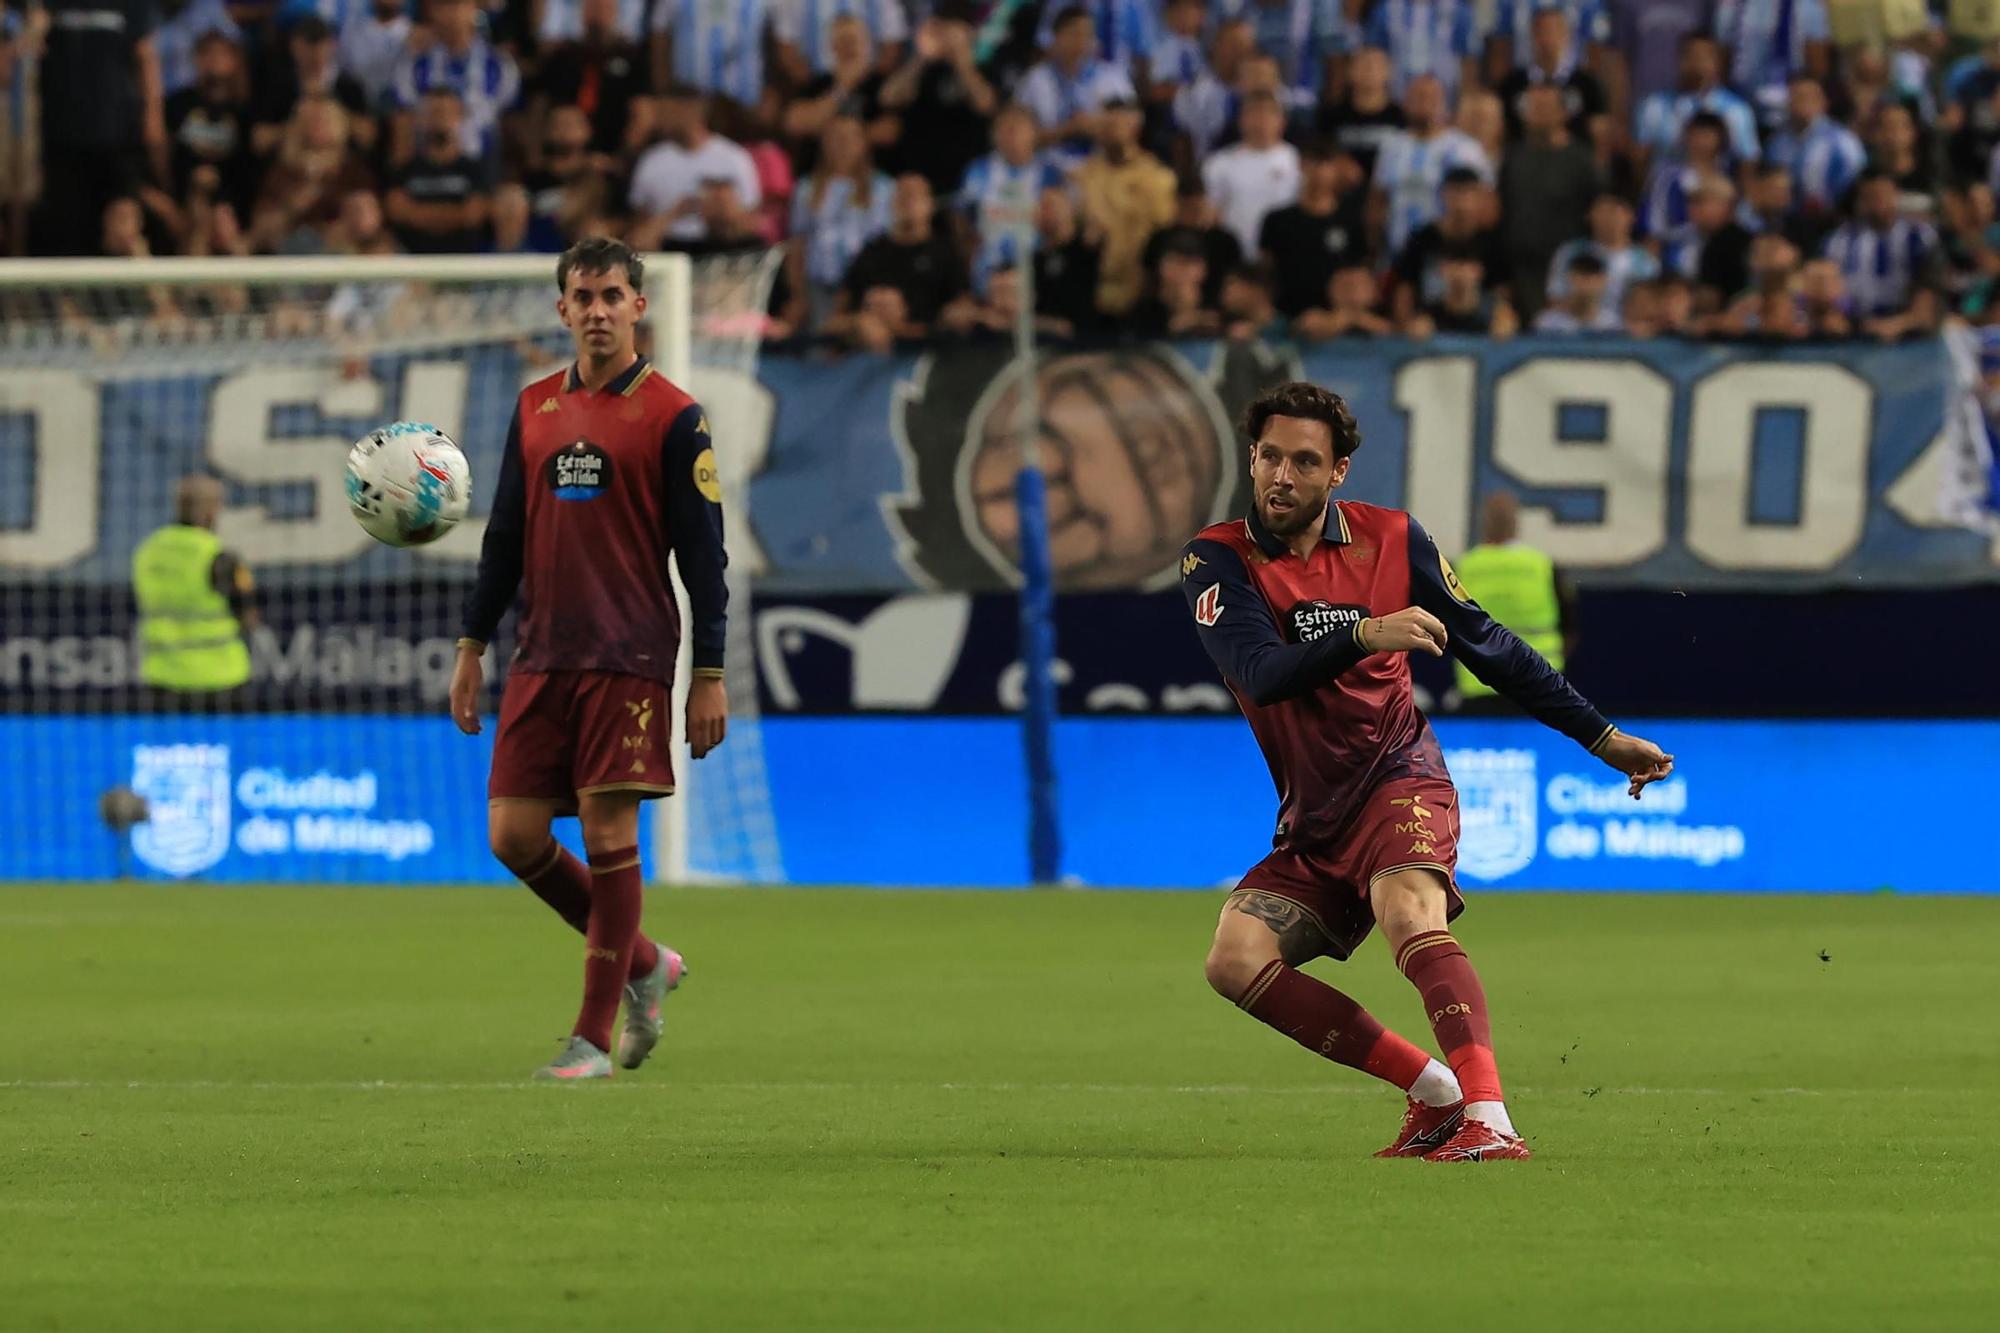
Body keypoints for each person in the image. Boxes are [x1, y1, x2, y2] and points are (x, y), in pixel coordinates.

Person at [1178, 381, 1672, 1161]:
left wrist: (1600, 736)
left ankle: (1490, 1117)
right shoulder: (1217, 558)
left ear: (1338, 471)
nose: (1281, 476)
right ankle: (1433, 1090)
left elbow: (1491, 644)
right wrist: (1369, 632)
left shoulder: (1393, 540)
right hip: (1314, 812)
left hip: (1398, 774)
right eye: (1269, 455)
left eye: (1305, 462)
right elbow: (1261, 670)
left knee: (1410, 911)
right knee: (1234, 960)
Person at [451, 238, 724, 1081]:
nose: (598, 309)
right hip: (542, 655)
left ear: (640, 307)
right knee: (513, 834)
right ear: (562, 310)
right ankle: (644, 963)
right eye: (584, 295)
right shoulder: (534, 408)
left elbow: (703, 556)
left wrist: (708, 673)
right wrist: (471, 645)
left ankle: (591, 1039)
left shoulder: (676, 417)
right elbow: (503, 539)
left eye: (614, 294)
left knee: (609, 830)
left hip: (629, 653)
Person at [1448, 492, 1576, 712]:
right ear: (1516, 524)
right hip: (1539, 682)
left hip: (1479, 683)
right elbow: (1571, 625)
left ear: (1483, 523)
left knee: (1487, 746)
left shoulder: (1463, 568)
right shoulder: (1542, 566)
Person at [132, 474, 256, 701]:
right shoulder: (219, 557)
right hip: (220, 679)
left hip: (162, 678)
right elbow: (248, 617)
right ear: (210, 510)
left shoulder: (149, 550)